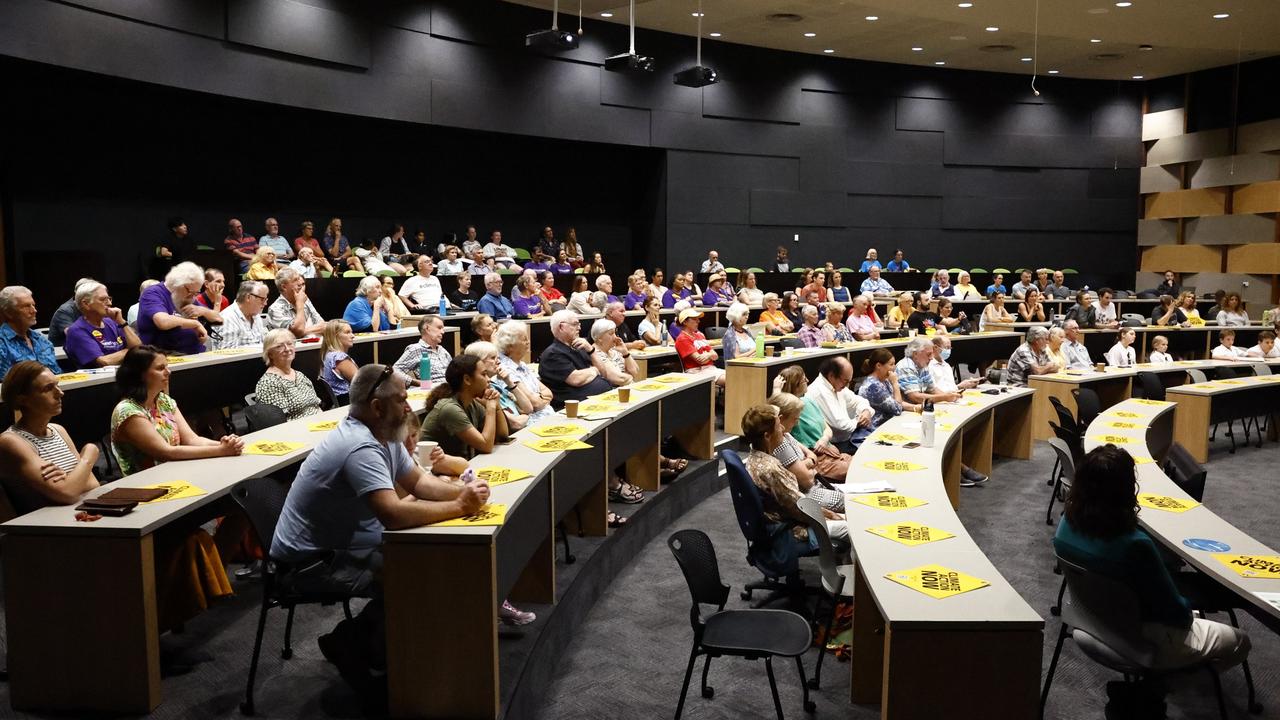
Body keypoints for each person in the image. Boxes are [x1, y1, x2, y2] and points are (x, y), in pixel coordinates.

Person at [273, 364, 495, 704]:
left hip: (341, 545)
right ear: (377, 407)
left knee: (429, 565)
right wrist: (460, 507)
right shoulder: (359, 446)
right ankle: (356, 645)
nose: (408, 408)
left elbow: (418, 482)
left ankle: (364, 644)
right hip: (311, 562)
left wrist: (466, 492)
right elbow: (392, 514)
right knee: (422, 574)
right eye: (402, 401)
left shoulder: (384, 432)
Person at [1054, 445, 1250, 686]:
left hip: (1090, 626)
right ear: (1126, 491)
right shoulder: (1135, 546)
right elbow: (1179, 616)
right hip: (1146, 640)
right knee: (1241, 641)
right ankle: (1161, 690)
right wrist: (1192, 610)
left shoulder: (1065, 527)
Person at [110, 346, 243, 474]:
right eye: (160, 368)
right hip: (145, 485)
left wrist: (226, 445)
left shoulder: (163, 400)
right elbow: (166, 452)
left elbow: (192, 440)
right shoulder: (128, 411)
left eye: (167, 366)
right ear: (140, 375)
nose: (168, 372)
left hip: (176, 471)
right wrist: (221, 450)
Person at [0, 361, 101, 512]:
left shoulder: (58, 430)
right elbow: (67, 493)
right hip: (44, 527)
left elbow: (92, 485)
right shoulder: (11, 441)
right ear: (22, 399)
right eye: (48, 388)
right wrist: (88, 456)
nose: (60, 393)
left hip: (76, 514)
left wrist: (70, 481)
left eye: (57, 385)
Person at [741, 404, 848, 544]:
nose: (783, 429)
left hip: (785, 520)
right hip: (792, 528)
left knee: (847, 517)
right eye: (778, 426)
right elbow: (800, 507)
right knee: (851, 527)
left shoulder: (755, 456)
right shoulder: (771, 469)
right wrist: (833, 516)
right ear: (767, 436)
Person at [765, 393, 847, 512]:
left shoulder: (786, 435)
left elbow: (811, 455)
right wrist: (810, 464)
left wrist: (806, 463)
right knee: (852, 503)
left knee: (855, 496)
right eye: (795, 419)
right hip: (807, 496)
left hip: (816, 486)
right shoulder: (780, 445)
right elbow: (807, 481)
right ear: (781, 419)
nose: (797, 423)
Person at [772, 367, 853, 482]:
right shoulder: (788, 412)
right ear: (795, 385)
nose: (808, 381)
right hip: (818, 459)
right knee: (856, 469)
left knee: (862, 462)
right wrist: (776, 391)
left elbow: (827, 427)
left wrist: (824, 439)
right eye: (804, 380)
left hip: (829, 452)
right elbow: (774, 415)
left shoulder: (808, 401)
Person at [539, 310, 615, 408]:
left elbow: (604, 373)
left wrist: (591, 350)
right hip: (572, 409)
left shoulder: (580, 346)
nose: (579, 327)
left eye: (579, 324)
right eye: (575, 324)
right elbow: (576, 379)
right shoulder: (553, 354)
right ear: (561, 327)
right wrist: (594, 369)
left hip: (596, 403)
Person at [63, 281, 140, 369]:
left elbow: (138, 347)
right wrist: (130, 351)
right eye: (103, 299)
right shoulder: (77, 330)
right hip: (98, 381)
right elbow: (104, 361)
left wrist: (122, 322)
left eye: (109, 299)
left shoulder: (112, 322)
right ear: (86, 304)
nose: (109, 303)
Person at [137, 262, 209, 355]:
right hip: (163, 356)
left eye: (196, 292)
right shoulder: (153, 293)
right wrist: (195, 323)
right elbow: (163, 322)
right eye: (191, 291)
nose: (193, 295)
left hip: (194, 353)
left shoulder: (186, 297)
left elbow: (210, 315)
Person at [806, 356, 873, 453]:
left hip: (847, 438)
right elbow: (842, 425)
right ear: (832, 376)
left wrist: (866, 411)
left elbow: (858, 400)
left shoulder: (836, 384)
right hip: (835, 445)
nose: (847, 386)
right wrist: (860, 420)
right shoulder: (819, 391)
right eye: (845, 381)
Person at [492, 321, 555, 422]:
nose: (528, 342)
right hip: (534, 424)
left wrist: (540, 399)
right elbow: (535, 403)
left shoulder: (522, 365)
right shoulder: (505, 369)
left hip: (548, 417)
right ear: (510, 345)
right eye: (524, 339)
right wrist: (541, 400)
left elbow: (548, 393)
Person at [255, 329, 322, 420]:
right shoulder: (268, 383)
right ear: (270, 354)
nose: (287, 349)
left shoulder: (299, 375)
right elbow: (277, 422)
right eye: (279, 346)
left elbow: (316, 406)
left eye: (290, 344)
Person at [463, 341, 529, 431]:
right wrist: (526, 416)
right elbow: (515, 423)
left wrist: (509, 382)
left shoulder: (495, 385)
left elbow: (528, 408)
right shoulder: (480, 394)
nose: (498, 361)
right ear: (478, 361)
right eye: (493, 358)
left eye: (498, 358)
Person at [858, 348, 922, 430]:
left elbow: (897, 402)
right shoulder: (873, 386)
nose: (894, 367)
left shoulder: (884, 380)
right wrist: (895, 383)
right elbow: (897, 409)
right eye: (891, 364)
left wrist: (915, 407)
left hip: (888, 424)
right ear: (878, 366)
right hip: (874, 429)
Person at [0, 286, 56, 379]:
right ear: (8, 313)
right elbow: (7, 385)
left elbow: (56, 373)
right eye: (26, 306)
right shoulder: (2, 343)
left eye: (33, 305)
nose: (34, 311)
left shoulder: (42, 340)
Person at [393, 315, 452, 387]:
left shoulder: (443, 351)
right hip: (433, 390)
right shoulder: (415, 349)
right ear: (427, 328)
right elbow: (394, 371)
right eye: (439, 328)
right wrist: (416, 382)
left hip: (451, 388)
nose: (443, 332)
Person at [266, 267, 326, 338]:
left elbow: (323, 326)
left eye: (299, 279)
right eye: (295, 280)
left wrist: (303, 332)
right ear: (284, 287)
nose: (300, 283)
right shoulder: (275, 309)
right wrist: (300, 304)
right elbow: (297, 331)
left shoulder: (305, 300)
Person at [673, 308, 724, 386]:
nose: (698, 321)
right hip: (697, 372)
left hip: (710, 369)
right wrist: (710, 354)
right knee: (730, 380)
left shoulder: (700, 335)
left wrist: (708, 355)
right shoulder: (682, 339)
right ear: (685, 322)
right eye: (694, 319)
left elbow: (715, 356)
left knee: (737, 376)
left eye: (698, 319)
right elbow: (700, 360)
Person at [213, 280, 269, 350]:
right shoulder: (228, 318)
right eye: (262, 299)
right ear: (248, 297)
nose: (265, 303)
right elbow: (227, 354)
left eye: (266, 300)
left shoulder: (256, 315)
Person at [45, 277, 96, 346]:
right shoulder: (65, 311)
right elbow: (74, 335)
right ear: (79, 294)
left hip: (83, 348)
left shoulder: (93, 308)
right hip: (62, 353)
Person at [589, 319, 638, 387]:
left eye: (615, 333)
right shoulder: (594, 354)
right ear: (599, 337)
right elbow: (619, 379)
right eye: (611, 333)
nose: (615, 337)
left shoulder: (614, 350)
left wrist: (625, 353)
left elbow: (635, 372)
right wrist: (630, 377)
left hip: (628, 388)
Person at [320, 319, 357, 402]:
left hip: (339, 401)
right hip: (349, 402)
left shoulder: (328, 355)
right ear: (335, 336)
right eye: (347, 332)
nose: (352, 335)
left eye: (351, 332)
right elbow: (362, 383)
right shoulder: (339, 358)